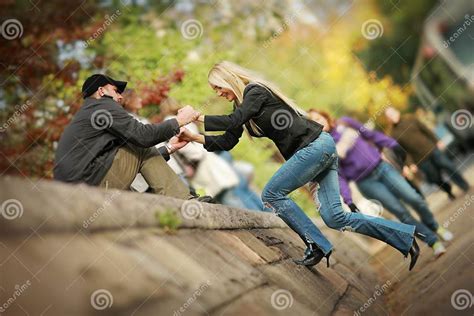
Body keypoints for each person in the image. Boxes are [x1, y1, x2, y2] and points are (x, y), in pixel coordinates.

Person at [178, 61, 420, 270]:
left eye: (218, 87)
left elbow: (233, 120)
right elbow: (227, 141)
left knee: (271, 194)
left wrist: (196, 117)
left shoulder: (255, 91)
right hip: (317, 150)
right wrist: (193, 137)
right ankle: (404, 236)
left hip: (314, 148)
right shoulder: (241, 107)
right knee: (334, 218)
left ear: (228, 80)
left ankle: (315, 244)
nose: (218, 93)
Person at [308, 110, 450, 257]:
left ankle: (435, 226)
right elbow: (339, 175)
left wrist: (392, 144)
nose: (318, 122)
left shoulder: (346, 122)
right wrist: (348, 200)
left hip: (382, 168)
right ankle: (433, 242)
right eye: (314, 122)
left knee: (414, 198)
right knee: (401, 212)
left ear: (325, 116)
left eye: (318, 118)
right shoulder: (326, 146)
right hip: (366, 183)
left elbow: (371, 135)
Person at [54, 74, 199, 199]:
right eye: (116, 91)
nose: (120, 96)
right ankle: (185, 201)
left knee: (134, 147)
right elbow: (143, 136)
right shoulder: (103, 105)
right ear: (101, 91)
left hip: (79, 185)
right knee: (137, 144)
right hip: (88, 184)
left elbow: (131, 153)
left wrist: (169, 148)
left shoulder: (89, 111)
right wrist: (180, 120)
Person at [385, 106, 470, 200]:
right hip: (420, 160)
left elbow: (425, 129)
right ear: (388, 119)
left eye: (393, 113)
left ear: (397, 112)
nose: (392, 116)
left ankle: (465, 186)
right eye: (390, 116)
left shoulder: (410, 118)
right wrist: (410, 164)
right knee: (435, 178)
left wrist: (437, 140)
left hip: (432, 149)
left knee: (448, 166)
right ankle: (448, 190)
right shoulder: (392, 134)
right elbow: (402, 151)